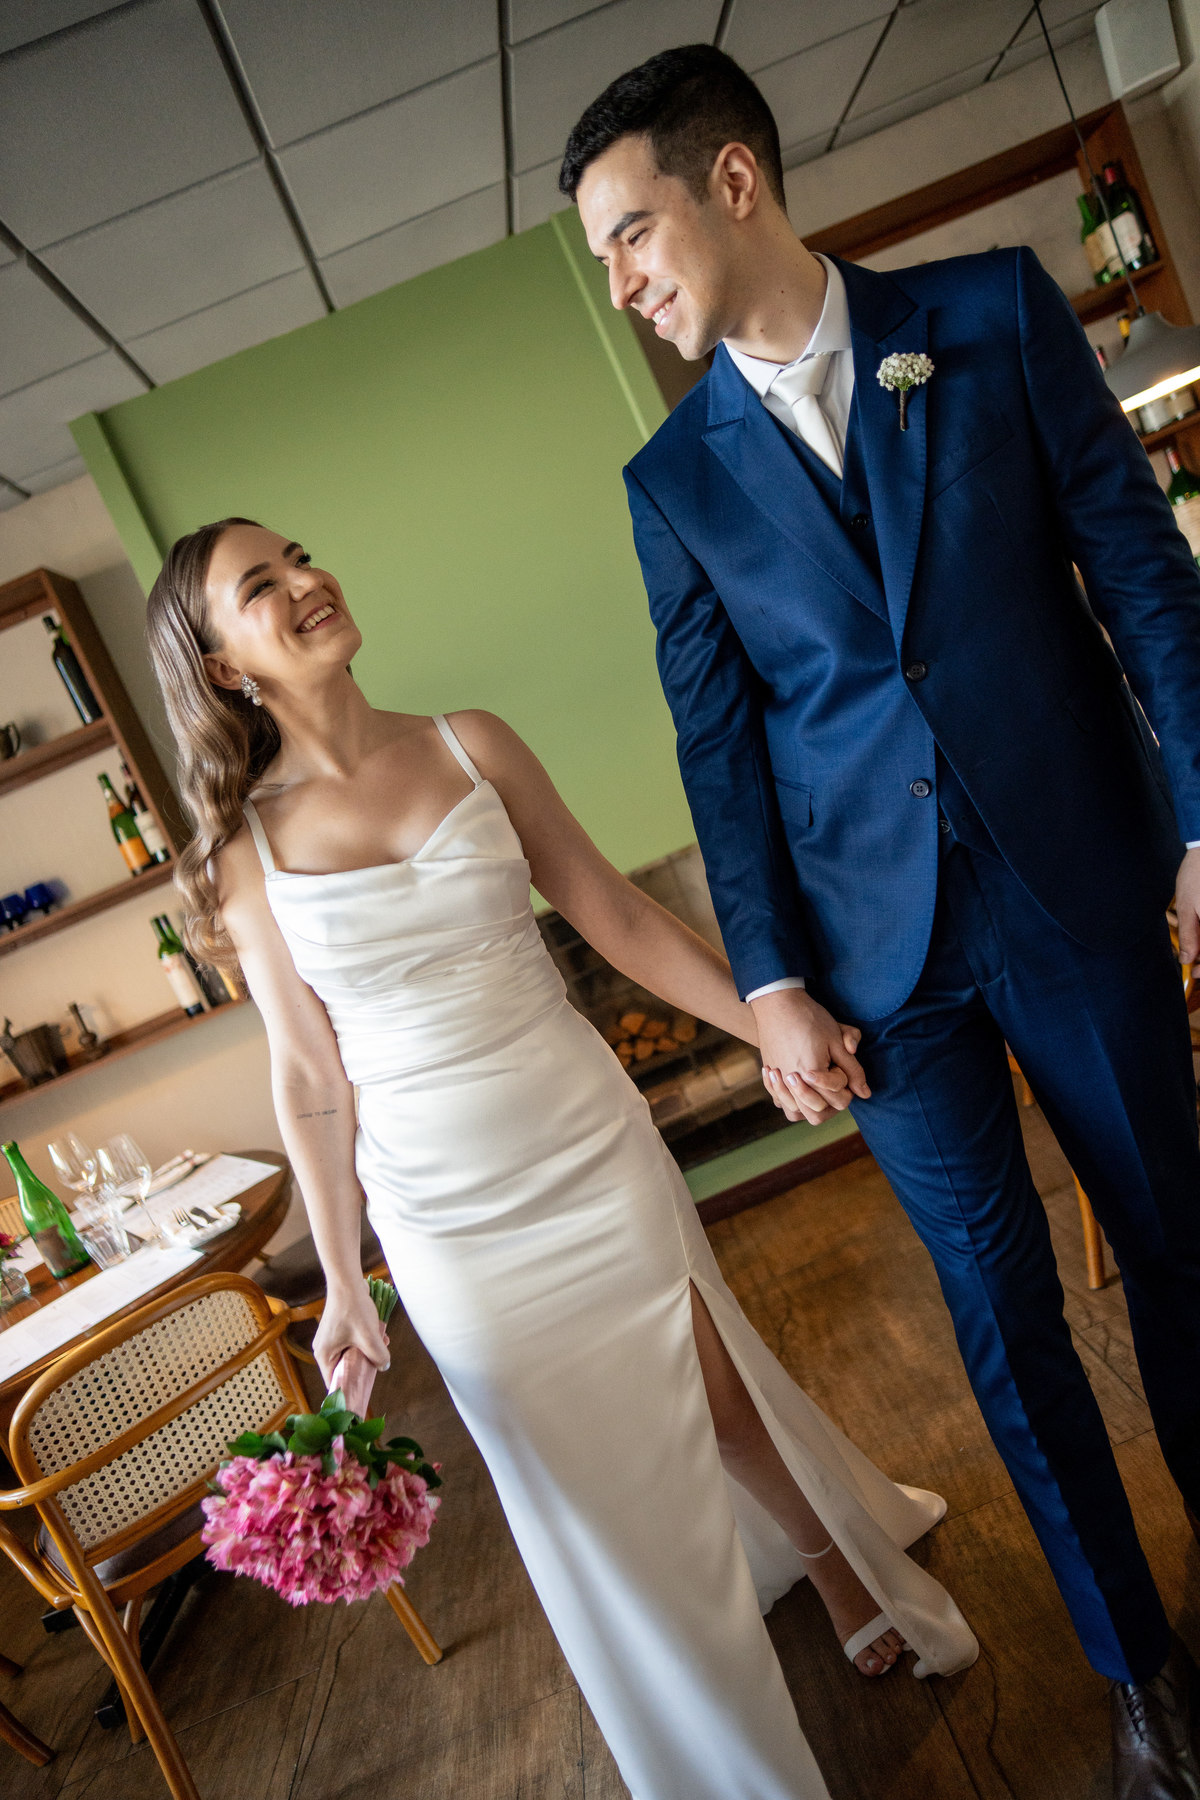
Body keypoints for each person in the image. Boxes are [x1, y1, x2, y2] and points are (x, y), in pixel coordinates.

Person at [561, 43, 1200, 1799]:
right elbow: (719, 750)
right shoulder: (673, 482)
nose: (623, 284)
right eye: (604, 260)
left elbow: (1145, 577)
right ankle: (1138, 1677)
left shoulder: (990, 316)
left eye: (632, 234)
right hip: (873, 976)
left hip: (1078, 886)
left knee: (1178, 1249)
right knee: (1002, 1321)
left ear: (734, 182)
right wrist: (769, 977)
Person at [146, 518, 977, 1800]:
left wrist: (770, 1027)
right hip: (443, 1218)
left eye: (300, 554)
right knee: (582, 1492)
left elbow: (619, 916)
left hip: (587, 1142)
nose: (307, 580)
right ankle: (714, 1746)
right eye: (263, 586)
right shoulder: (246, 856)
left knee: (719, 1400)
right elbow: (307, 1077)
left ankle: (831, 1566)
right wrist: (348, 1282)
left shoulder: (468, 743)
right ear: (222, 669)